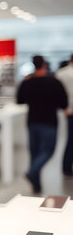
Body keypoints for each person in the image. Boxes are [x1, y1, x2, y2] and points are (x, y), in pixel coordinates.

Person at [16, 55, 68, 194]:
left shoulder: (28, 82)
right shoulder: (54, 82)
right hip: (49, 122)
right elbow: (63, 102)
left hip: (32, 121)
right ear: (44, 65)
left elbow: (19, 100)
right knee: (48, 151)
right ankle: (32, 173)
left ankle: (36, 185)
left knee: (34, 153)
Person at [56, 54, 73, 176]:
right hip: (69, 109)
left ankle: (66, 166)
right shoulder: (63, 73)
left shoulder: (61, 73)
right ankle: (66, 166)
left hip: (67, 109)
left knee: (70, 139)